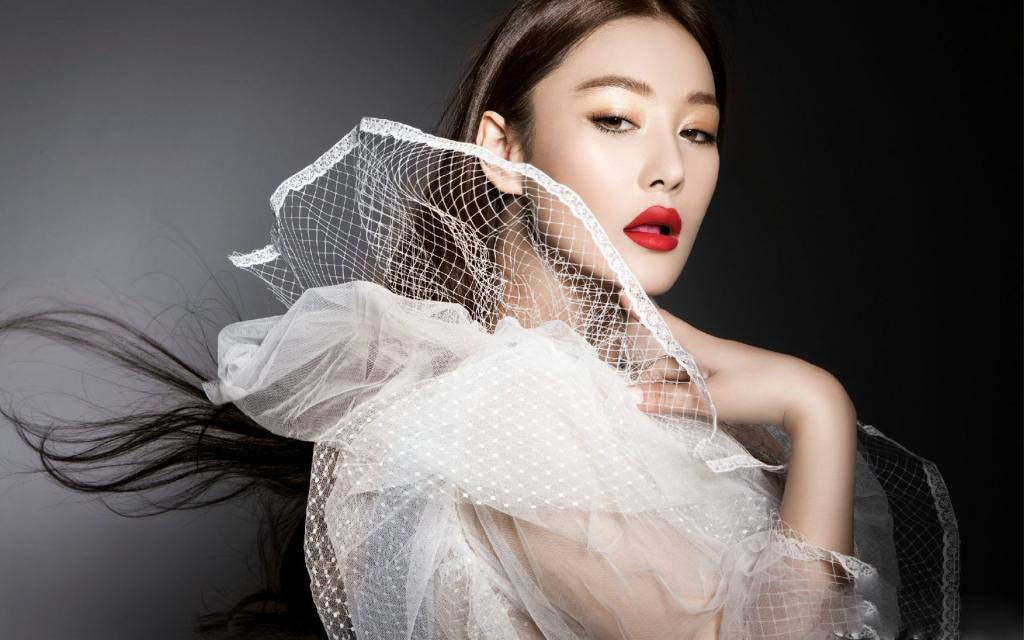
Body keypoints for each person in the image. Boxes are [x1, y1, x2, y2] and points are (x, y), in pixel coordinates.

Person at [1, 1, 958, 639]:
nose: (669, 167)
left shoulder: (636, 392)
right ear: (502, 150)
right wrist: (816, 403)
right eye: (616, 119)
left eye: (697, 131)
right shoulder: (499, 410)